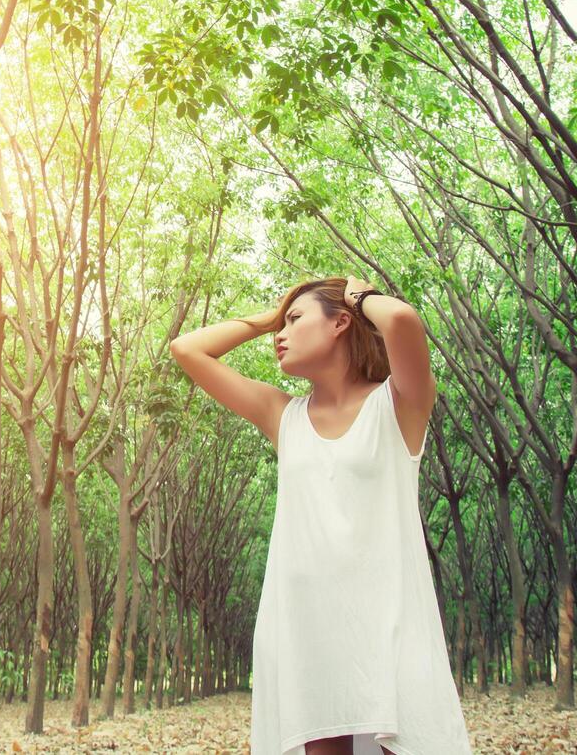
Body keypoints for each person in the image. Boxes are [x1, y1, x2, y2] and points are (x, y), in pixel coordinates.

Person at [169, 275, 472, 755]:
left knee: (408, 737)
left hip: (390, 616)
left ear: (341, 323)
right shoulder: (281, 414)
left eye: (294, 320)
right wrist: (271, 315)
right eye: (280, 325)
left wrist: (358, 295)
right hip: (306, 622)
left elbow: (402, 320)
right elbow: (187, 350)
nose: (279, 336)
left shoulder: (397, 404)